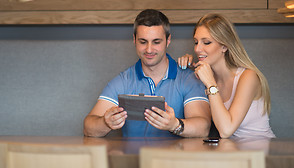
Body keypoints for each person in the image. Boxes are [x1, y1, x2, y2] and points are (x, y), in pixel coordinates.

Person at [84, 9, 211, 137]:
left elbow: (203, 127)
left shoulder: (188, 79)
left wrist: (175, 125)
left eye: (156, 42)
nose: (149, 49)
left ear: (168, 40)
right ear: (134, 40)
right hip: (133, 157)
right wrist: (106, 122)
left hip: (173, 157)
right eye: (143, 42)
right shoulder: (124, 80)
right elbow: (88, 126)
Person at [178, 13, 275, 139]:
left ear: (224, 46)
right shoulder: (205, 78)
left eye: (206, 42)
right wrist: (187, 70)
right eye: (196, 42)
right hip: (231, 153)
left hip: (260, 153)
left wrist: (210, 83)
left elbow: (226, 130)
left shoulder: (248, 77)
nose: (197, 49)